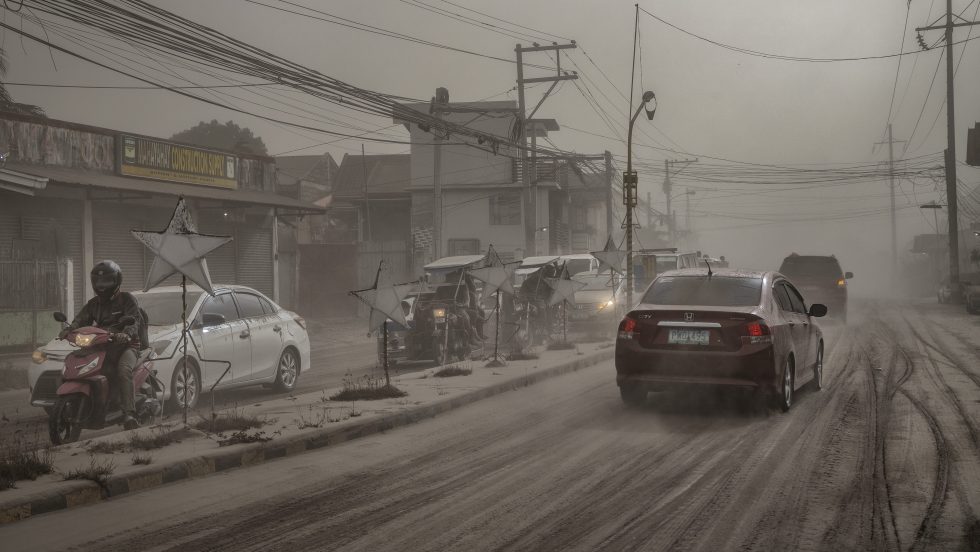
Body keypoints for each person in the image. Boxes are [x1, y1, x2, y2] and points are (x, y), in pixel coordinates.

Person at [60, 260, 143, 430]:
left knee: (123, 370)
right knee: (76, 365)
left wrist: (126, 334)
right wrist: (69, 329)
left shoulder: (127, 299)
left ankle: (129, 413)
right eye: (98, 282)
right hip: (102, 346)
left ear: (116, 281)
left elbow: (134, 321)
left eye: (106, 281)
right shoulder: (94, 303)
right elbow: (81, 319)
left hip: (126, 346)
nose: (102, 285)